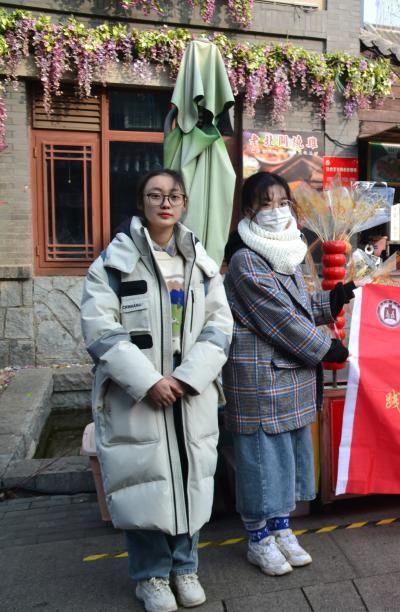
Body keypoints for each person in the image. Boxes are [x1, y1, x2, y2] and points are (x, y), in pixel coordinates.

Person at [80, 169, 233, 612]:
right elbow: (100, 329)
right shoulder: (113, 262)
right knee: (143, 483)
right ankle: (150, 575)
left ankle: (185, 567)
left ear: (184, 203)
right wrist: (148, 382)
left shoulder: (200, 261)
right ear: (141, 202)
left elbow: (220, 325)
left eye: (174, 195)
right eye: (155, 195)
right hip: (136, 396)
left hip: (189, 394)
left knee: (190, 476)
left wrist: (187, 378)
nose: (165, 203)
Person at [222, 172, 353, 576]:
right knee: (262, 461)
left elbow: (298, 306)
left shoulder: (287, 251)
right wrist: (325, 347)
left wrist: (332, 300)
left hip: (289, 375)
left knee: (287, 461)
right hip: (260, 378)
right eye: (266, 204)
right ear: (248, 211)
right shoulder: (246, 260)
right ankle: (258, 539)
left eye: (283, 203)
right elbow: (280, 319)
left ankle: (281, 529)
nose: (276, 212)